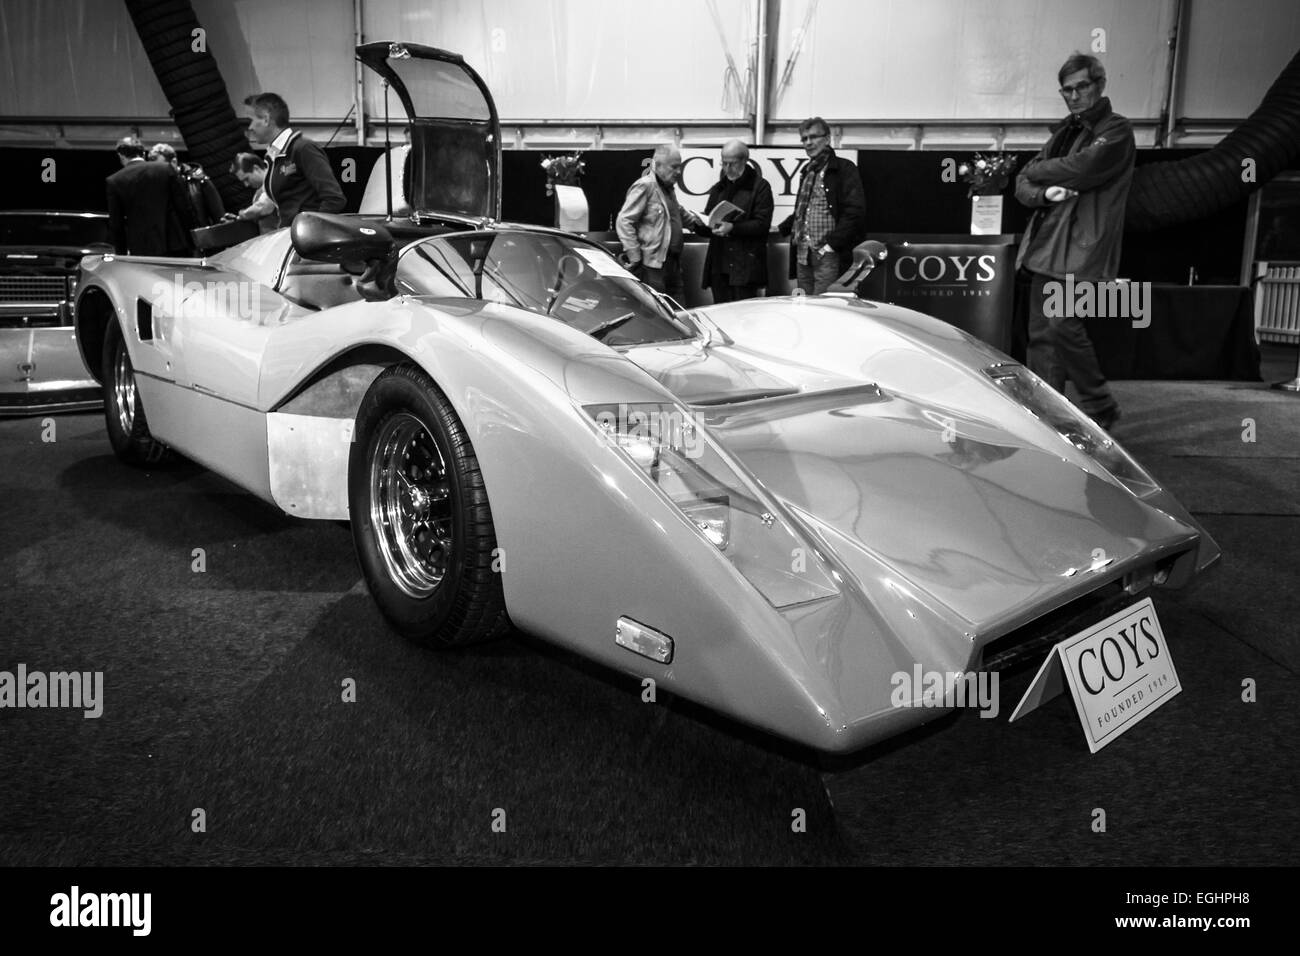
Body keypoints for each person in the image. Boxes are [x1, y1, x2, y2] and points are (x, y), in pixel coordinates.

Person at [1013, 53, 1134, 432]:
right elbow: (1022, 186)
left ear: (1100, 85)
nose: (1074, 94)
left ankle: (1099, 406)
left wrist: (1035, 170)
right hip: (1046, 244)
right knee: (1042, 335)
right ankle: (1048, 416)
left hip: (1083, 246)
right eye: (1067, 89)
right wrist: (1043, 193)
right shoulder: (1065, 131)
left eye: (1082, 86)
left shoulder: (1115, 131)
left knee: (1063, 326)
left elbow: (1082, 168)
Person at [778, 117, 866, 295]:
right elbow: (803, 211)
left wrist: (831, 246)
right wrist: (780, 228)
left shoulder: (844, 168)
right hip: (804, 253)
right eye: (804, 139)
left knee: (826, 308)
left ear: (827, 139)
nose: (808, 143)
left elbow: (855, 211)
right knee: (805, 305)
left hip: (829, 254)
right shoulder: (808, 170)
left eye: (813, 137)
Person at [243, 92, 345, 228]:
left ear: (266, 119)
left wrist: (310, 230)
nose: (249, 128)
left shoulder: (303, 149)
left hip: (305, 242)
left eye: (251, 121)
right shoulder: (274, 155)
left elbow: (334, 199)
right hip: (290, 239)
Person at [615, 144, 703, 298]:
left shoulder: (668, 189)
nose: (679, 172)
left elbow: (677, 213)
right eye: (674, 167)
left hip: (672, 264)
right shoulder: (645, 185)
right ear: (658, 166)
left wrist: (700, 223)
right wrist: (635, 256)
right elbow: (624, 221)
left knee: (677, 313)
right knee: (657, 315)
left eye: (680, 167)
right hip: (652, 267)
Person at [692, 140, 774, 302]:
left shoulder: (760, 187)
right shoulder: (719, 188)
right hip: (719, 264)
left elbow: (762, 225)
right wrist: (697, 223)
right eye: (724, 164)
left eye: (732, 164)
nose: (727, 169)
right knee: (719, 314)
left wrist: (732, 227)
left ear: (744, 161)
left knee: (744, 318)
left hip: (745, 266)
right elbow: (710, 223)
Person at [105, 135, 197, 257]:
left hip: (142, 252)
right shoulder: (166, 169)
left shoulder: (115, 180)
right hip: (176, 247)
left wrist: (121, 255)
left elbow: (117, 225)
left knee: (149, 277)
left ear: (120, 155)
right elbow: (184, 208)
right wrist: (193, 243)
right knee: (178, 276)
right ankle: (178, 277)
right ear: (143, 153)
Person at [149, 142, 225, 228]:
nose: (158, 172)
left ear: (174, 162)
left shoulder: (198, 180)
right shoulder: (157, 187)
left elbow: (218, 214)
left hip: (202, 235)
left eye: (161, 167)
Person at [226, 152, 279, 233]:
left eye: (246, 179)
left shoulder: (273, 180)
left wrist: (242, 214)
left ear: (256, 168)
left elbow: (263, 207)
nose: (246, 185)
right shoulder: (258, 194)